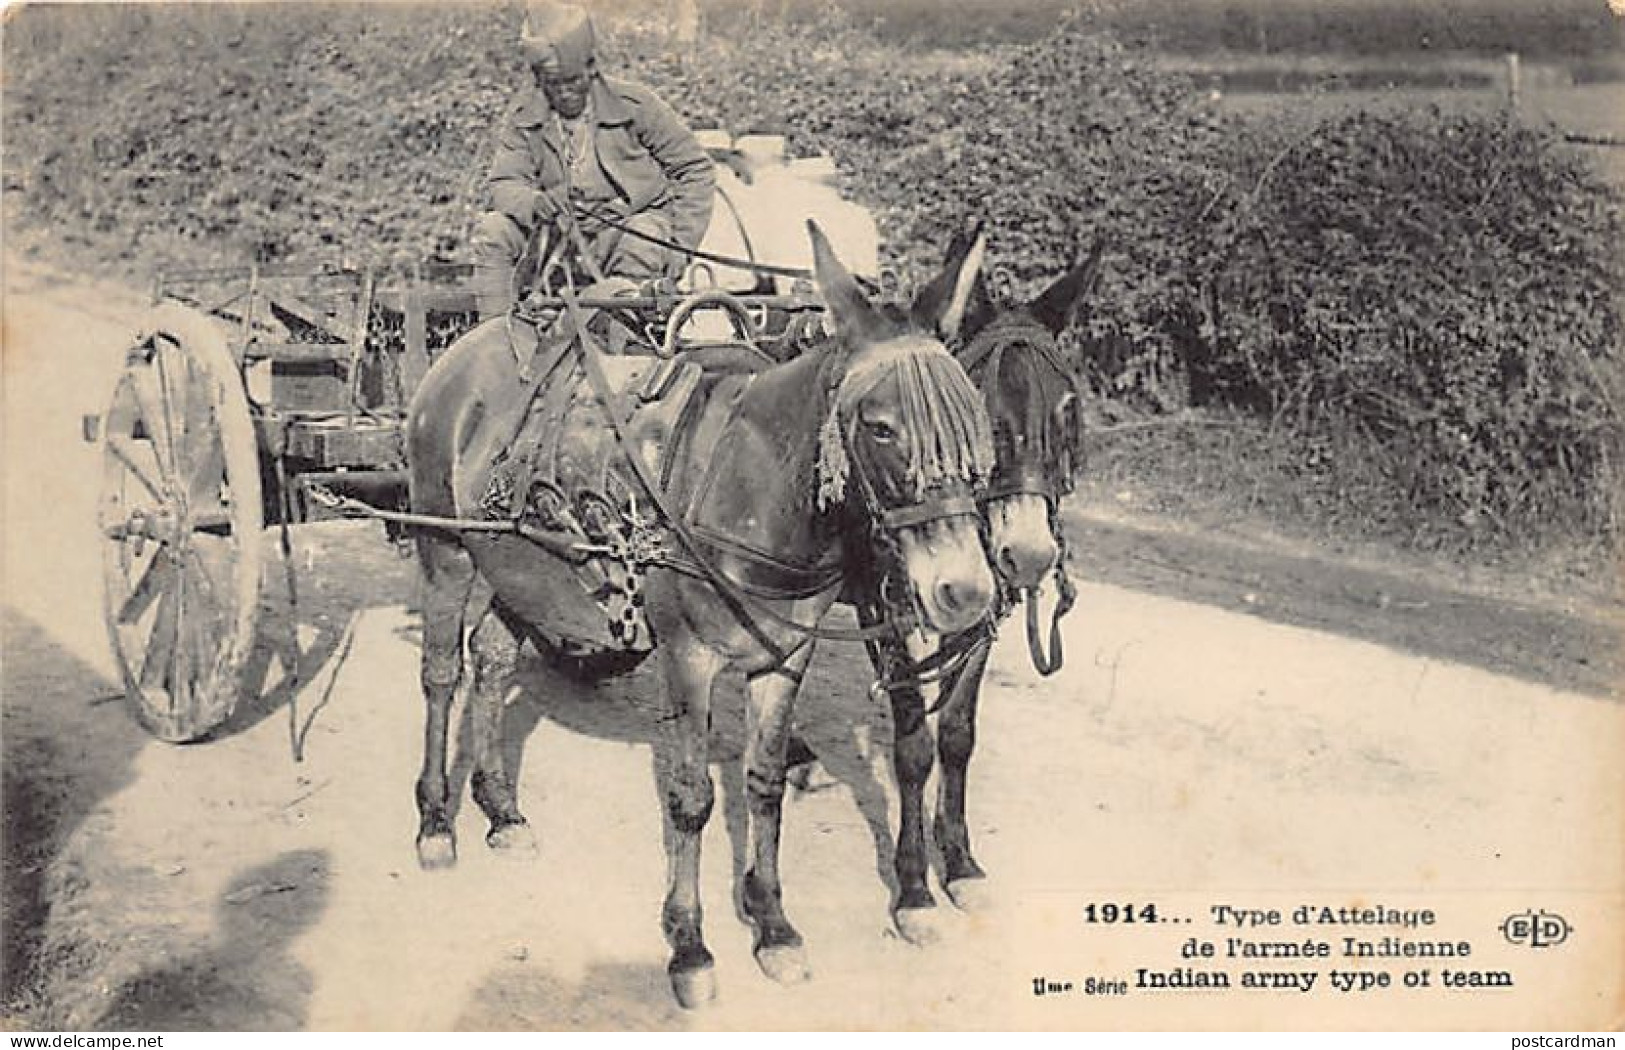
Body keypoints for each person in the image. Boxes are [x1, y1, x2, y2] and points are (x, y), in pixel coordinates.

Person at [470, 1, 716, 319]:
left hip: (624, 235)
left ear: (591, 68)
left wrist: (679, 249)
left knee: (644, 235)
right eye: (554, 84)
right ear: (539, 80)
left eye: (574, 80)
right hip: (556, 241)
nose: (566, 92)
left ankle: (623, 343)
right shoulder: (524, 118)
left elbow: (694, 168)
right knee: (493, 229)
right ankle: (496, 344)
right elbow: (503, 184)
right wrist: (535, 204)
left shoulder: (635, 106)